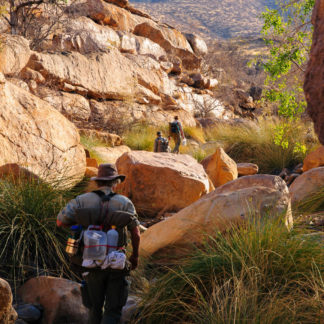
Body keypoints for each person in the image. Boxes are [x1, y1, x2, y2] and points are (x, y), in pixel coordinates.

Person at [57, 164, 140, 324]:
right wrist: (135, 256)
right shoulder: (125, 202)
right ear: (115, 182)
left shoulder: (81, 200)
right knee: (113, 311)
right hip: (116, 261)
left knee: (94, 309)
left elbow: (60, 222)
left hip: (90, 260)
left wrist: (80, 225)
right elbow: (136, 233)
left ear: (97, 182)